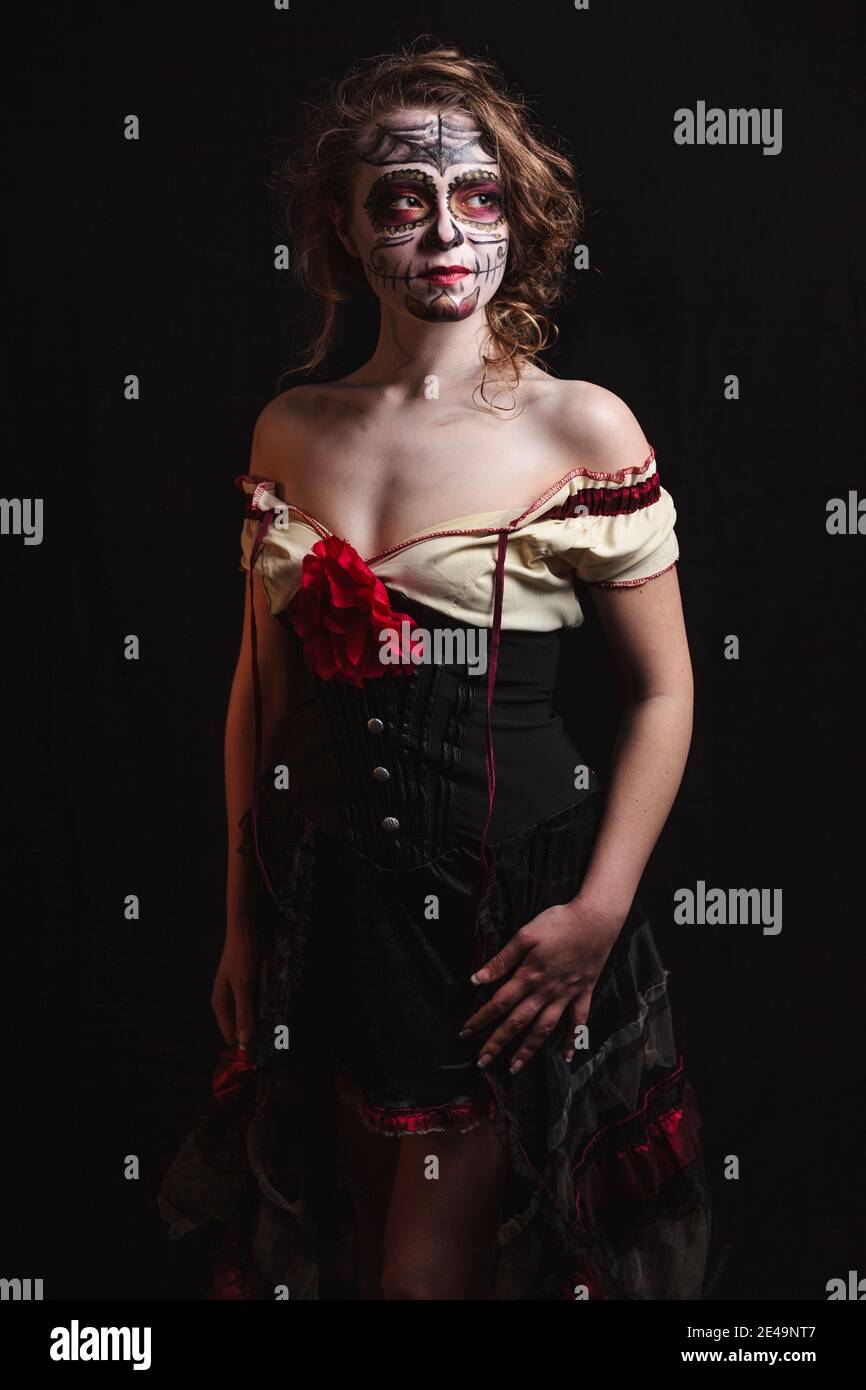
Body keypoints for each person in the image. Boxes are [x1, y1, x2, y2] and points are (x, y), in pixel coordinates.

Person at [159, 40, 715, 1301]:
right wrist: (246, 919)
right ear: (347, 234)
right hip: (336, 903)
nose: (448, 232)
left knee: (437, 1274)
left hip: (511, 909)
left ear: (515, 214)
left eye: (478, 197)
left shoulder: (579, 423)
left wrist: (597, 914)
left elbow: (664, 690)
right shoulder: (292, 426)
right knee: (356, 1249)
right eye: (402, 202)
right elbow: (264, 695)